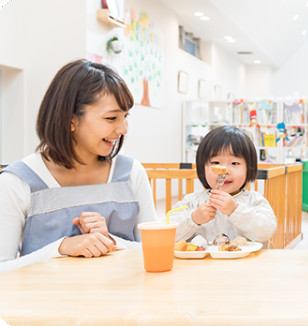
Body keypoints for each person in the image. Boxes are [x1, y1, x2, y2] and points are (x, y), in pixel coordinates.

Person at [0, 59, 157, 273]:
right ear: (70, 120)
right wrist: (61, 247)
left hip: (125, 302)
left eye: (125, 117)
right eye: (111, 118)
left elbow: (154, 250)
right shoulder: (16, 181)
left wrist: (110, 241)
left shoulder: (131, 173)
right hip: (45, 304)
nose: (123, 129)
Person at [170, 126, 277, 244]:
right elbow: (167, 231)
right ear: (202, 168)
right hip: (204, 262)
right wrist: (194, 219)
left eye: (234, 163)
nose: (224, 170)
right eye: (216, 162)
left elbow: (266, 231)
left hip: (247, 262)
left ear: (249, 168)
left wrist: (235, 211)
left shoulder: (254, 200)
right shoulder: (192, 201)